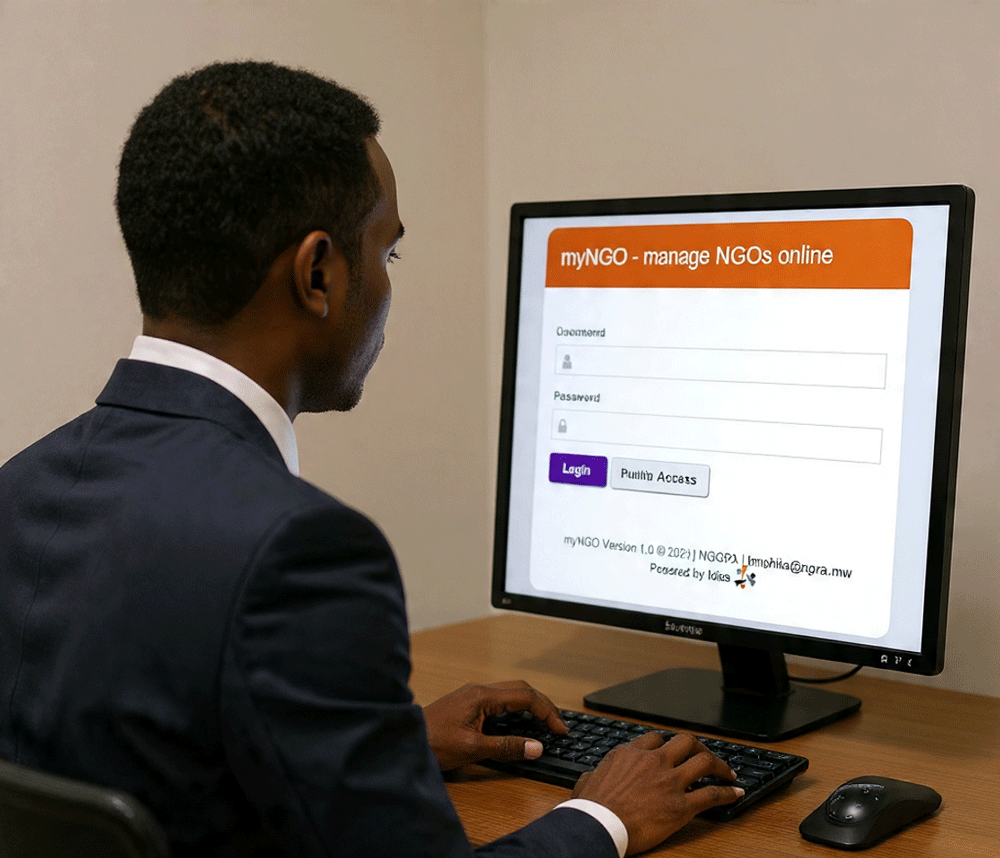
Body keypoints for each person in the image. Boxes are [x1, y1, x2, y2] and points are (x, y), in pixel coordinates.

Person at [0, 61, 742, 857]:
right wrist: (605, 816)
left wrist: (381, 746)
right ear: (318, 273)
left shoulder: (22, 486)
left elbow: (147, 758)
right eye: (389, 254)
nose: (388, 289)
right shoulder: (297, 550)